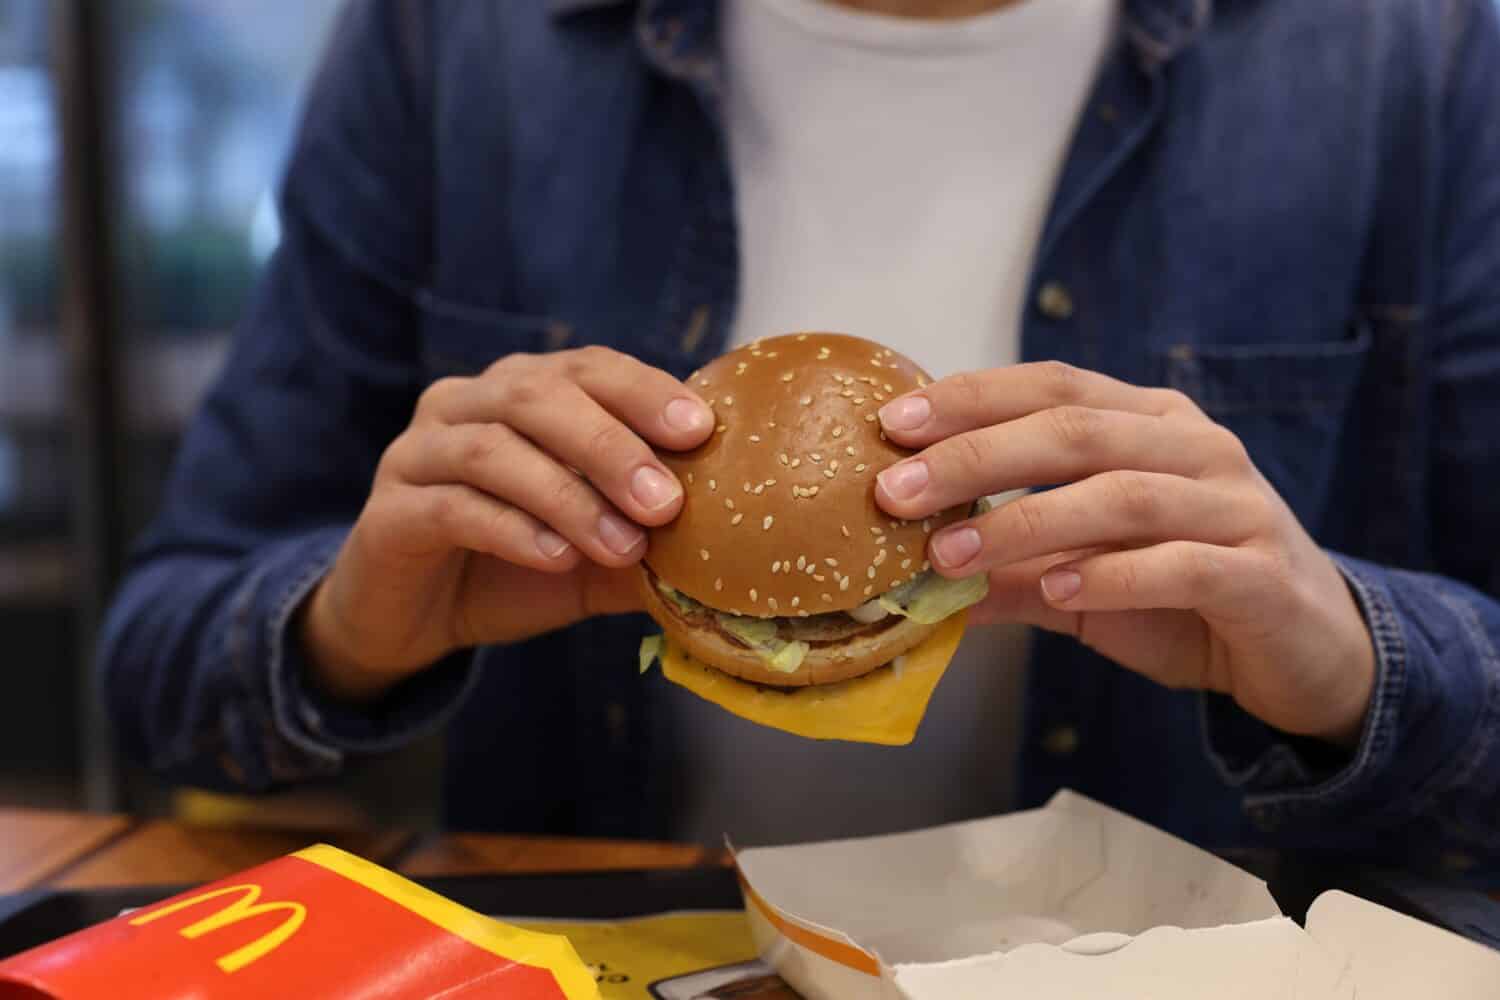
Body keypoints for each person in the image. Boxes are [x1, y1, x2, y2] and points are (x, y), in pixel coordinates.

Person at [100, 0, 1500, 880]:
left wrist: (1354, 665)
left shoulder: (1418, 56)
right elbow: (151, 668)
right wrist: (350, 631)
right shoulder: (456, 37)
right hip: (614, 957)